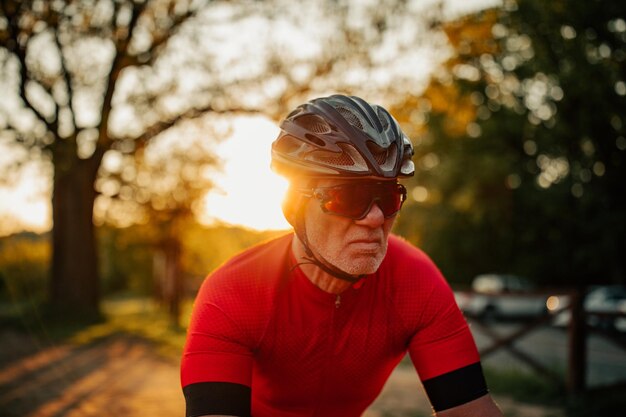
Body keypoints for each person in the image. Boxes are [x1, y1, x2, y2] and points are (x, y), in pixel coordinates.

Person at [180, 94, 503, 417]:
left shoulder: (416, 282)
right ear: (294, 205)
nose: (375, 218)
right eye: (349, 196)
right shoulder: (234, 292)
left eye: (388, 197)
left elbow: (471, 411)